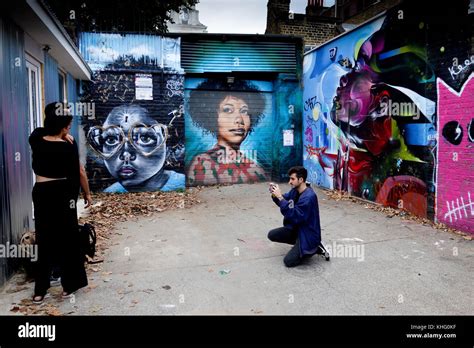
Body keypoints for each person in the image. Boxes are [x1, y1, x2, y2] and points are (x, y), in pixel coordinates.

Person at [29, 102, 92, 303]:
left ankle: (40, 290)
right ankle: (69, 286)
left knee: (44, 238)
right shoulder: (68, 146)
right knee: (68, 239)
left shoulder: (36, 139)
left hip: (41, 193)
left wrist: (60, 131)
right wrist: (87, 194)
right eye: (68, 125)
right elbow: (80, 171)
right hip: (63, 195)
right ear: (64, 127)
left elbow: (43, 129)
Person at [187, 79, 269, 185]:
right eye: (228, 110)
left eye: (244, 111)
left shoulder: (254, 167)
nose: (239, 120)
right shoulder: (203, 163)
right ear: (212, 117)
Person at [86, 104, 185, 193]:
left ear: (168, 146)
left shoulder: (183, 185)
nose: (126, 155)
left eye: (144, 138)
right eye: (111, 140)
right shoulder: (111, 192)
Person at [268, 166, 324, 267]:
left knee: (288, 261)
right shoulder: (295, 190)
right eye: (290, 178)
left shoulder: (309, 197)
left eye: (292, 179)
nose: (290, 182)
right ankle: (299, 245)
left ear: (301, 179)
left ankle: (314, 248)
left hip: (308, 234)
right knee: (272, 235)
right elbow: (284, 200)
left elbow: (295, 215)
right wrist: (274, 194)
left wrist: (280, 197)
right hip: (296, 229)